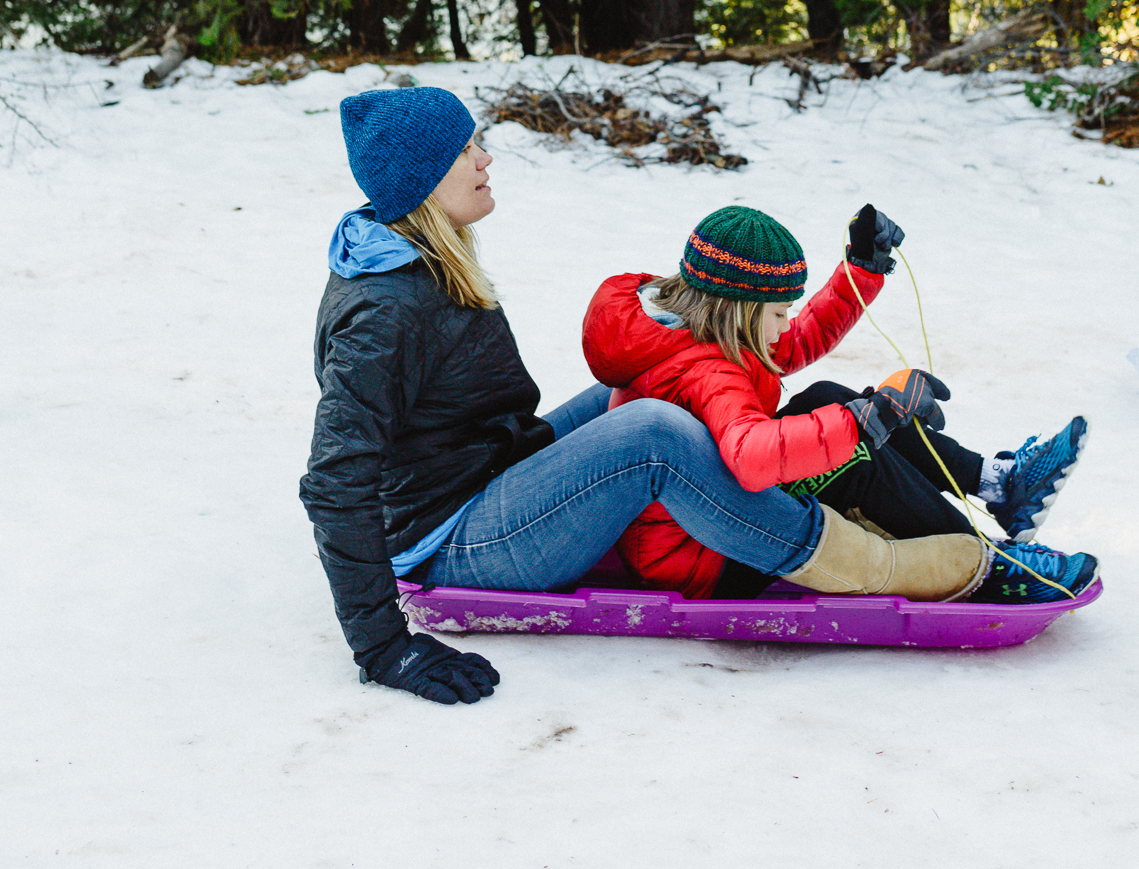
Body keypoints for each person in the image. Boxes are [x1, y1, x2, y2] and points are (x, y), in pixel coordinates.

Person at [300, 87, 986, 710]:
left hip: (484, 474)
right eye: (464, 149)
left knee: (644, 381)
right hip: (449, 540)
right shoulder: (384, 313)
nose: (484, 157)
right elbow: (334, 482)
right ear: (422, 182)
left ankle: (883, 478)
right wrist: (382, 646)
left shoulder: (412, 259)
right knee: (654, 431)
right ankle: (860, 562)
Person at [581, 202, 1098, 606]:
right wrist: (870, 421)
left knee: (827, 400)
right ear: (739, 308)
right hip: (704, 555)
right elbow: (753, 455)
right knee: (853, 459)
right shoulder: (709, 369)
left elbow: (795, 343)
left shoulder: (694, 328)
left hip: (700, 517)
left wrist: (861, 271)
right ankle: (993, 566)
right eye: (780, 311)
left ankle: (998, 483)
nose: (786, 324)